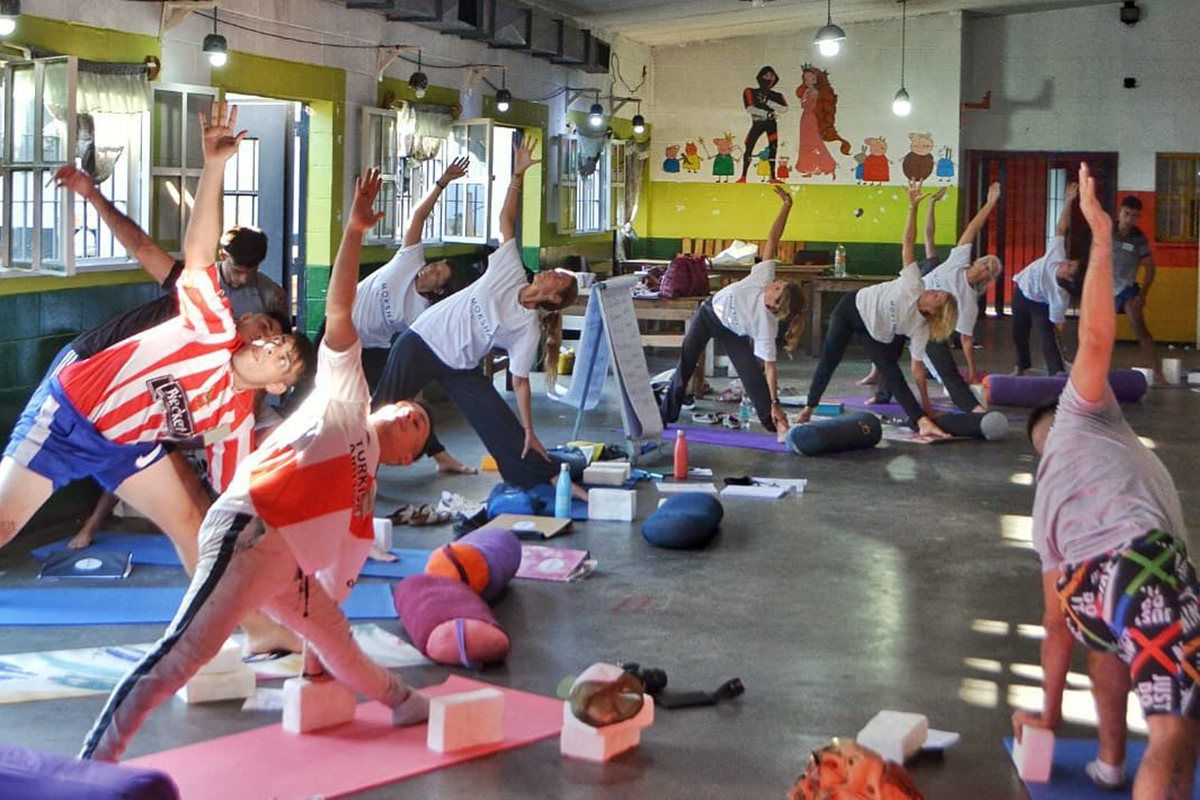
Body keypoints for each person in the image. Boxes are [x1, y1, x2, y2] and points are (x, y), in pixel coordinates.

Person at [80, 166, 435, 763]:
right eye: (406, 409)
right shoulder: (349, 400)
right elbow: (343, 307)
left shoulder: (364, 506)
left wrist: (317, 680)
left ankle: (407, 702)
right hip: (249, 530)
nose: (405, 416)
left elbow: (338, 592)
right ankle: (94, 762)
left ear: (404, 458)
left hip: (287, 566)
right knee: (183, 653)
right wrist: (352, 230)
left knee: (337, 642)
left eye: (416, 426)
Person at [0, 101, 313, 566]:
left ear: (276, 382)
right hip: (82, 395)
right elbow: (179, 249)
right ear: (244, 328)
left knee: (196, 522)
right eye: (268, 334)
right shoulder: (212, 318)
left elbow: (234, 492)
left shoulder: (235, 417)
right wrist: (212, 168)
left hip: (131, 435)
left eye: (279, 348)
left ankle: (234, 626)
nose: (268, 339)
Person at [1016, 162, 1198, 799]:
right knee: (1176, 727)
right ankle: (1142, 766)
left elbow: (1057, 622)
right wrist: (1095, 231)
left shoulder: (1047, 505)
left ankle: (1110, 763)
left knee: (1109, 643)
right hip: (1141, 560)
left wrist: (1045, 715)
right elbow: (1095, 339)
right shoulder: (1082, 411)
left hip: (1085, 586)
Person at [50, 166, 290, 552]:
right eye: (261, 332)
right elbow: (142, 247)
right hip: (89, 367)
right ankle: (90, 525)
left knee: (183, 492)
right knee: (34, 472)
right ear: (243, 320)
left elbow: (241, 406)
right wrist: (92, 195)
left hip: (145, 404)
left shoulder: (258, 324)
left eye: (271, 342)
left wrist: (201, 437)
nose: (265, 343)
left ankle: (221, 567)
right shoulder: (202, 299)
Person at [372, 135, 581, 493]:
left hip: (459, 365)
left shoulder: (527, 328)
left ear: (552, 298)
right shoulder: (511, 269)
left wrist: (530, 429)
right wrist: (518, 176)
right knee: (381, 408)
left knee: (497, 417)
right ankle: (349, 470)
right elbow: (506, 220)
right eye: (557, 271)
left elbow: (519, 382)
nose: (551, 271)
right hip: (422, 341)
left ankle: (537, 474)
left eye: (558, 278)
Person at [793, 185, 957, 438]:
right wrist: (912, 208)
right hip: (852, 309)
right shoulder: (915, 284)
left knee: (892, 371)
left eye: (938, 296)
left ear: (936, 312)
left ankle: (921, 422)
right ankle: (808, 407)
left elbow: (917, 370)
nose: (933, 291)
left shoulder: (920, 327)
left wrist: (926, 409)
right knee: (830, 358)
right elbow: (908, 244)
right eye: (937, 291)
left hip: (874, 332)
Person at [351, 155, 474, 476]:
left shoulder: (422, 315)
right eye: (437, 265)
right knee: (310, 392)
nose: (432, 269)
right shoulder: (410, 260)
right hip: (340, 329)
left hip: (372, 346)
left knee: (395, 401)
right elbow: (419, 215)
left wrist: (415, 387)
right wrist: (442, 183)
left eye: (439, 275)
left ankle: (437, 458)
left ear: (438, 291)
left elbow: (419, 351)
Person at [660, 186, 804, 434]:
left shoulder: (765, 325)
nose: (775, 282)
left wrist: (776, 404)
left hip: (732, 332)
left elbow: (770, 369)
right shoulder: (763, 276)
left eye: (778, 288)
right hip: (708, 315)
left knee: (751, 376)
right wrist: (786, 206)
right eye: (779, 282)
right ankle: (664, 417)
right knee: (686, 363)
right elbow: (773, 239)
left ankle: (773, 422)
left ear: (775, 303)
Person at [867, 181, 1001, 415]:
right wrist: (990, 203)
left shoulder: (968, 302)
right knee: (888, 352)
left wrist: (971, 371)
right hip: (906, 306)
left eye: (987, 270)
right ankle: (882, 394)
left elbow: (967, 339)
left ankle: (971, 407)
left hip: (928, 321)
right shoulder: (956, 262)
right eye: (983, 263)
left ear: (986, 279)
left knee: (945, 367)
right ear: (976, 261)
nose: (982, 268)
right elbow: (971, 230)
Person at [1011, 181, 1082, 376]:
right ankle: (1020, 367)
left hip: (1040, 303)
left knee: (1046, 337)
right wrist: (1068, 201)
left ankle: (1056, 372)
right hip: (1022, 290)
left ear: (1069, 278)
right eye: (1071, 261)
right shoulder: (1057, 254)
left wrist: (1062, 349)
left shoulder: (1060, 295)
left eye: (1071, 267)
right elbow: (1061, 229)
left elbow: (1057, 326)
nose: (1068, 262)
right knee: (1019, 332)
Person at [1111, 195, 1163, 383]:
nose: (1129, 220)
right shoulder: (1106, 230)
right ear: (1119, 212)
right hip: (1104, 289)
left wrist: (1143, 294)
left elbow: (1150, 267)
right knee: (1100, 331)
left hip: (1127, 289)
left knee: (1138, 326)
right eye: (1126, 214)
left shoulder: (1139, 239)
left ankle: (1158, 373)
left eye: (1134, 216)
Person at [217, 226, 287, 317]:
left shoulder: (274, 295)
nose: (244, 279)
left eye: (252, 272)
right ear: (223, 255)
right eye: (237, 271)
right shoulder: (198, 283)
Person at [737, 66, 787, 184]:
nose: (769, 79)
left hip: (771, 124)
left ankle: (773, 177)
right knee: (749, 145)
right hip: (758, 122)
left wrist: (768, 102)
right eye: (766, 75)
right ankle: (743, 176)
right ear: (761, 76)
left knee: (773, 147)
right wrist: (767, 113)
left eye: (771, 76)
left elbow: (784, 109)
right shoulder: (750, 91)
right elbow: (750, 108)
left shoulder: (776, 95)